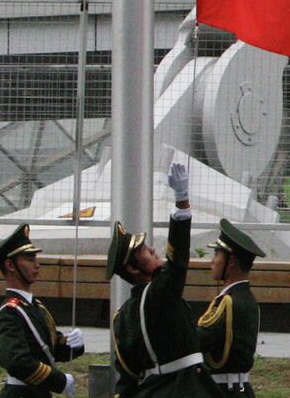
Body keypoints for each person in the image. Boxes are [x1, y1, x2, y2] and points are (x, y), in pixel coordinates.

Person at [107, 161, 223, 398]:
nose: (152, 249)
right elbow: (178, 260)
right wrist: (182, 202)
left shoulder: (122, 317)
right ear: (132, 268)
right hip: (187, 389)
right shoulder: (160, 293)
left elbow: (127, 377)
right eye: (145, 251)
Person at [0, 224, 83, 397]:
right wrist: (60, 381)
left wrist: (72, 344)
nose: (37, 264)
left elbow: (48, 347)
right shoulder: (10, 311)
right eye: (30, 259)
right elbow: (16, 361)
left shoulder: (34, 305)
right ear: (10, 265)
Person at [198, 219, 266, 396]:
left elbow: (198, 340)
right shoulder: (246, 298)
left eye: (217, 255)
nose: (212, 262)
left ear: (231, 261)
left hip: (224, 391)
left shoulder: (228, 303)